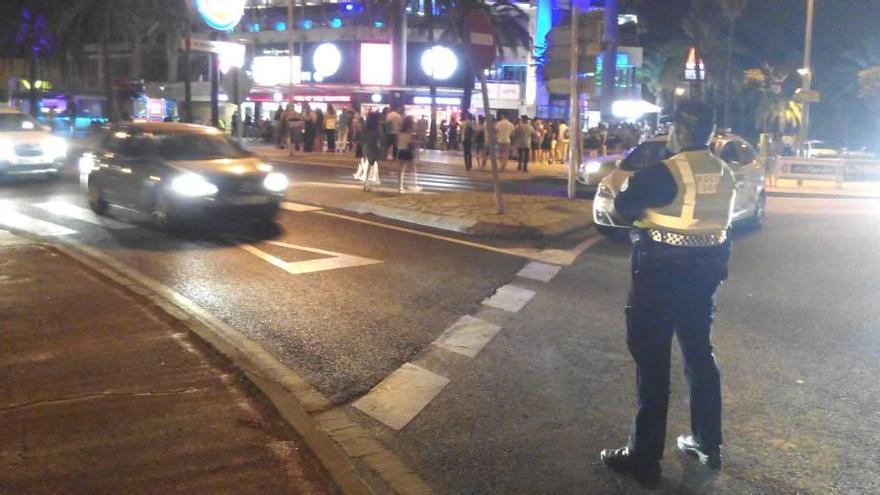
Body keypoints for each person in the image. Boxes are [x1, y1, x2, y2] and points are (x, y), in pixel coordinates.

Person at [600, 100, 735, 483]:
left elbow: (624, 203)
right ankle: (708, 444)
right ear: (709, 133)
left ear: (678, 131)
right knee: (699, 354)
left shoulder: (664, 171)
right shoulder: (725, 172)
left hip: (660, 273)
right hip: (705, 276)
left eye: (673, 128)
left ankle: (643, 459)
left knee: (653, 363)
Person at [360, 112, 386, 191]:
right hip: (374, 147)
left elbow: (362, 136)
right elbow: (382, 138)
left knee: (371, 165)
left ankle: (367, 183)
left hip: (366, 146)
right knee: (371, 165)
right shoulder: (377, 128)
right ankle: (367, 184)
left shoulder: (366, 127)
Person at [397, 116, 421, 192]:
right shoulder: (410, 132)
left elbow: (397, 141)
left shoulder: (400, 132)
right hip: (409, 151)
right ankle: (415, 184)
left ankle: (400, 187)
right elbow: (411, 142)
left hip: (401, 150)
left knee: (401, 170)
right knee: (413, 168)